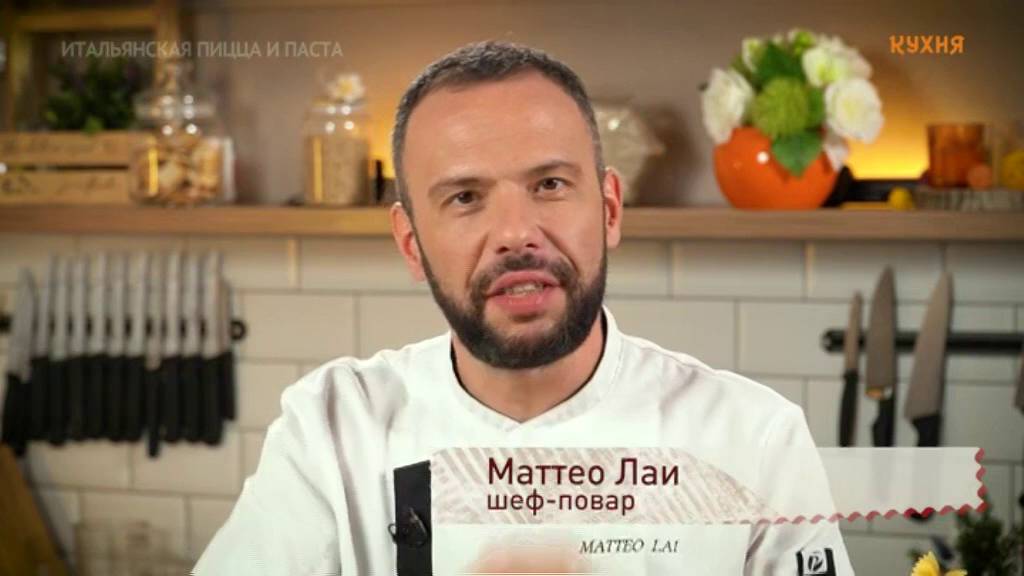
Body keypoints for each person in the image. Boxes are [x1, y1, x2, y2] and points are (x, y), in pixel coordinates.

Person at [194, 40, 853, 575]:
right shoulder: (333, 428)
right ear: (410, 243)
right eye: (465, 197)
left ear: (610, 209)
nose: (516, 232)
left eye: (550, 184)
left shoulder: (755, 439)